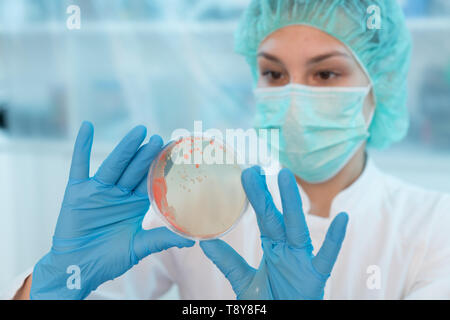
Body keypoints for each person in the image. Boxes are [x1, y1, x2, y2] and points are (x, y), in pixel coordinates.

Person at [5, 0, 450, 299]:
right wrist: (56, 283)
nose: (293, 96)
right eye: (274, 74)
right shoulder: (198, 194)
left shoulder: (432, 226)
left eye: (326, 75)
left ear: (380, 88)